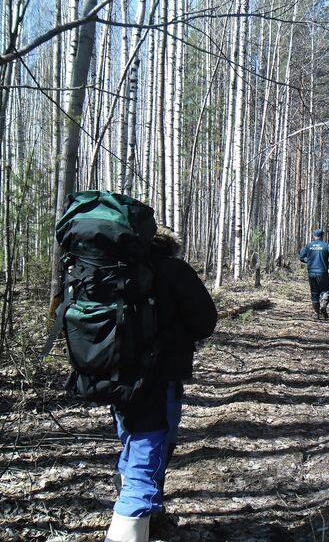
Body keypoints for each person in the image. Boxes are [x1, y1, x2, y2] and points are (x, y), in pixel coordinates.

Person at [106, 227, 217, 542]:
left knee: (133, 441)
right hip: (160, 376)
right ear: (170, 245)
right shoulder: (173, 269)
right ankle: (130, 527)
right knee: (149, 454)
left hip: (113, 376)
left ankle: (149, 521)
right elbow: (205, 321)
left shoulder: (112, 268)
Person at [298, 229, 329, 319]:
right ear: (322, 236)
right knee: (325, 290)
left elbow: (301, 257)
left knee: (314, 292)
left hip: (311, 272)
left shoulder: (309, 246)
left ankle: (316, 313)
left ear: (314, 236)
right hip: (322, 272)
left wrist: (307, 261)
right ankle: (324, 303)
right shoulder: (326, 245)